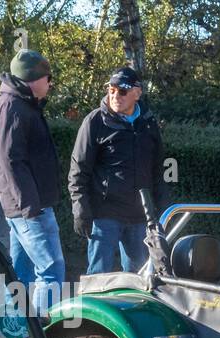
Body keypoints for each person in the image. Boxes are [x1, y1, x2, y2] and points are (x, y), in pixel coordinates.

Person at [69, 66, 169, 275]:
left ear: (137, 93)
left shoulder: (148, 124)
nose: (115, 96)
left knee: (140, 278)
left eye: (122, 91)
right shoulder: (95, 121)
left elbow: (158, 168)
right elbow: (79, 170)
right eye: (111, 90)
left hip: (140, 216)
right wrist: (80, 208)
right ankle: (91, 307)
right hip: (105, 214)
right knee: (98, 276)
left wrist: (162, 208)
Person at [0, 48, 64, 315]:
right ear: (34, 79)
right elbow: (11, 160)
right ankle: (47, 337)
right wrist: (30, 207)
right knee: (51, 271)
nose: (50, 83)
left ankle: (16, 329)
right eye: (48, 77)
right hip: (30, 209)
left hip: (23, 207)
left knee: (21, 274)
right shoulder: (14, 107)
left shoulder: (20, 105)